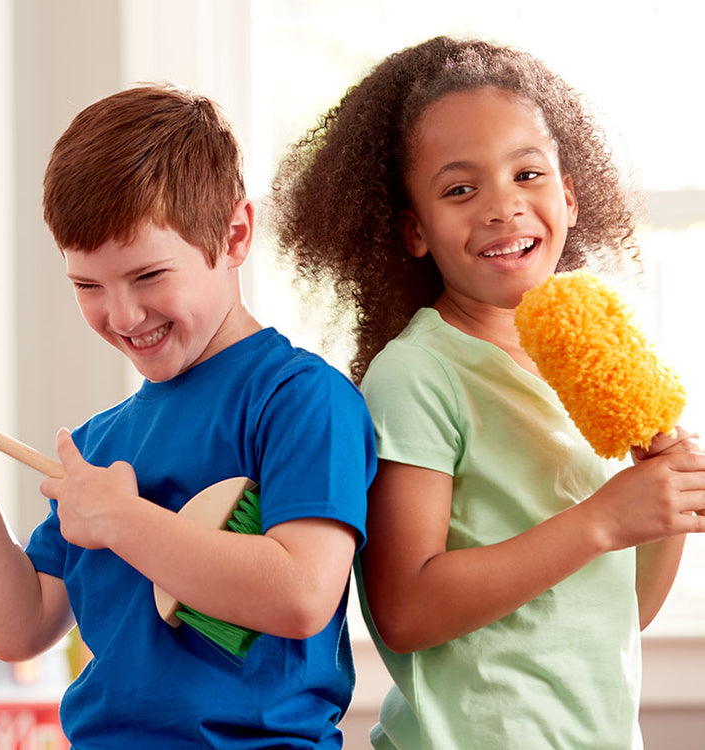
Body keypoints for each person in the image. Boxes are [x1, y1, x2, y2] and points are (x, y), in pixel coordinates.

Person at [272, 37, 705, 749]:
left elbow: (616, 612)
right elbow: (405, 607)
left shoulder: (583, 365)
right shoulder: (418, 373)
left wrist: (661, 507)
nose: (504, 207)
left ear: (569, 195)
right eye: (460, 189)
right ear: (414, 231)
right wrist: (604, 518)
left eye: (527, 174)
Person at [0, 84, 377, 748]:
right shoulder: (99, 445)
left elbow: (300, 595)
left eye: (148, 275)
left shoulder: (301, 400)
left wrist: (122, 521)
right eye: (88, 286)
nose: (122, 316)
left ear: (235, 234)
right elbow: (20, 627)